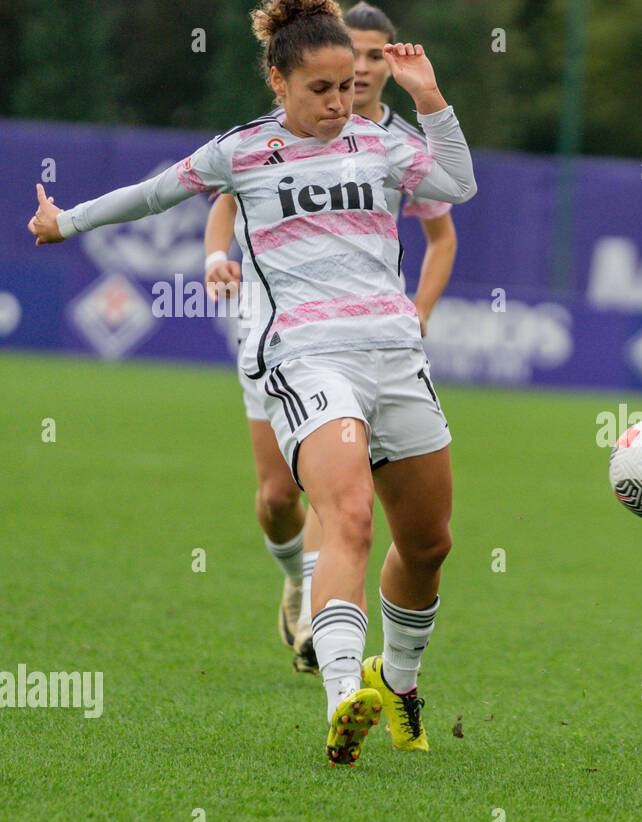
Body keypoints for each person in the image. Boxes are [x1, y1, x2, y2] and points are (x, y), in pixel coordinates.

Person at [29, 0, 477, 767]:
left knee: (430, 543)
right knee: (347, 515)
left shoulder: (381, 142)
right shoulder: (241, 152)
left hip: (396, 357)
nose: (340, 102)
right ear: (278, 79)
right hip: (309, 358)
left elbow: (458, 186)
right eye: (321, 89)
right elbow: (152, 194)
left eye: (349, 86)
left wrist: (429, 98)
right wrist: (64, 222)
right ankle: (344, 696)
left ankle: (396, 680)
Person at [203, 0, 459, 674]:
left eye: (377, 56)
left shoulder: (398, 145)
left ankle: (327, 629)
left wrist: (417, 312)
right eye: (357, 54)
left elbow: (441, 232)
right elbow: (225, 195)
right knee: (279, 497)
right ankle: (296, 576)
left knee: (341, 495)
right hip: (274, 327)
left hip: (362, 337)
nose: (366, 68)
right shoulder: (274, 134)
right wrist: (213, 256)